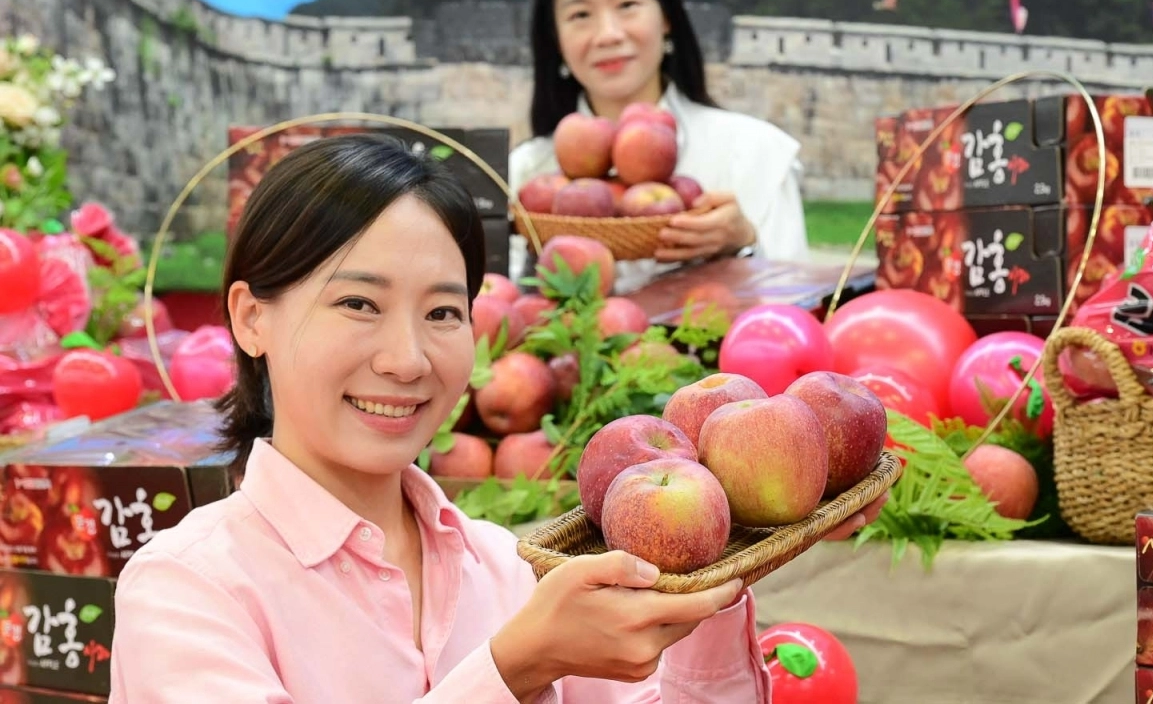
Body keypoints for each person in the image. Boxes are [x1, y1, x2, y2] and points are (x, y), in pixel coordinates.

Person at [107, 134, 884, 702]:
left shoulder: (507, 568)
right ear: (251, 318)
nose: (408, 358)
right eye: (358, 304)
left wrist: (718, 571)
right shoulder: (187, 588)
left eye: (443, 311)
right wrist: (510, 669)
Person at [509, 0, 810, 293]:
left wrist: (745, 246)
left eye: (627, 4)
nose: (608, 34)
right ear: (555, 38)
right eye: (580, 14)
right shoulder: (525, 175)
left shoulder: (754, 155)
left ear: (666, 16)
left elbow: (801, 309)